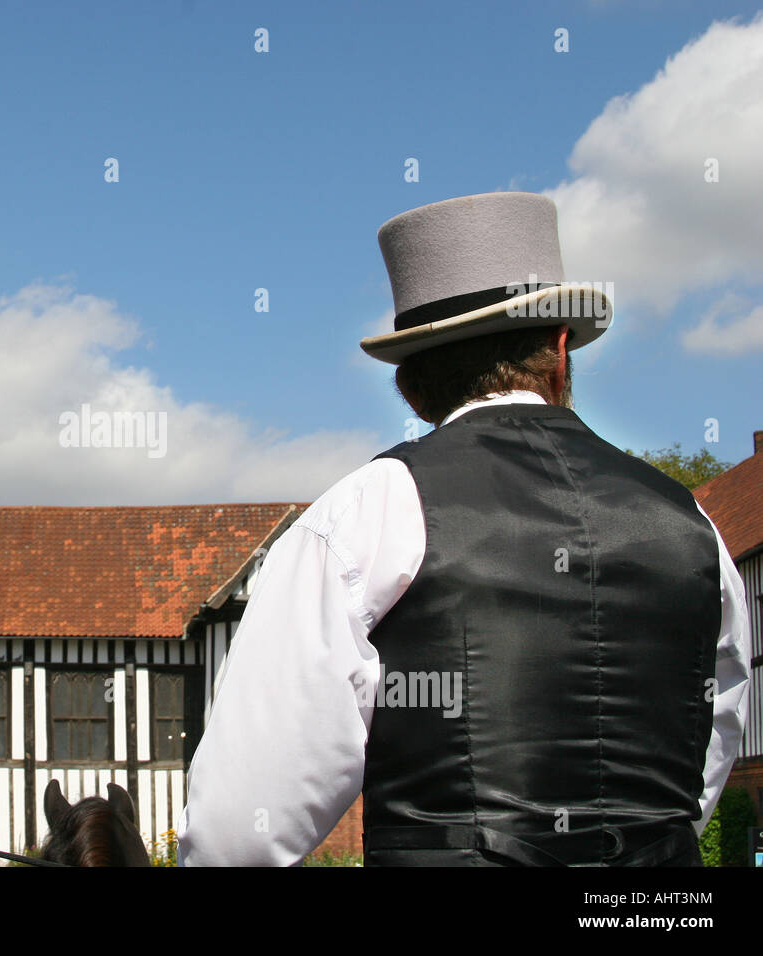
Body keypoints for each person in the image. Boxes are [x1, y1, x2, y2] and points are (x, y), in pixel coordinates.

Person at [178, 192, 751, 866]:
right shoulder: (693, 523)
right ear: (562, 350)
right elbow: (702, 760)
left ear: (411, 386)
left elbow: (237, 835)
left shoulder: (364, 513)